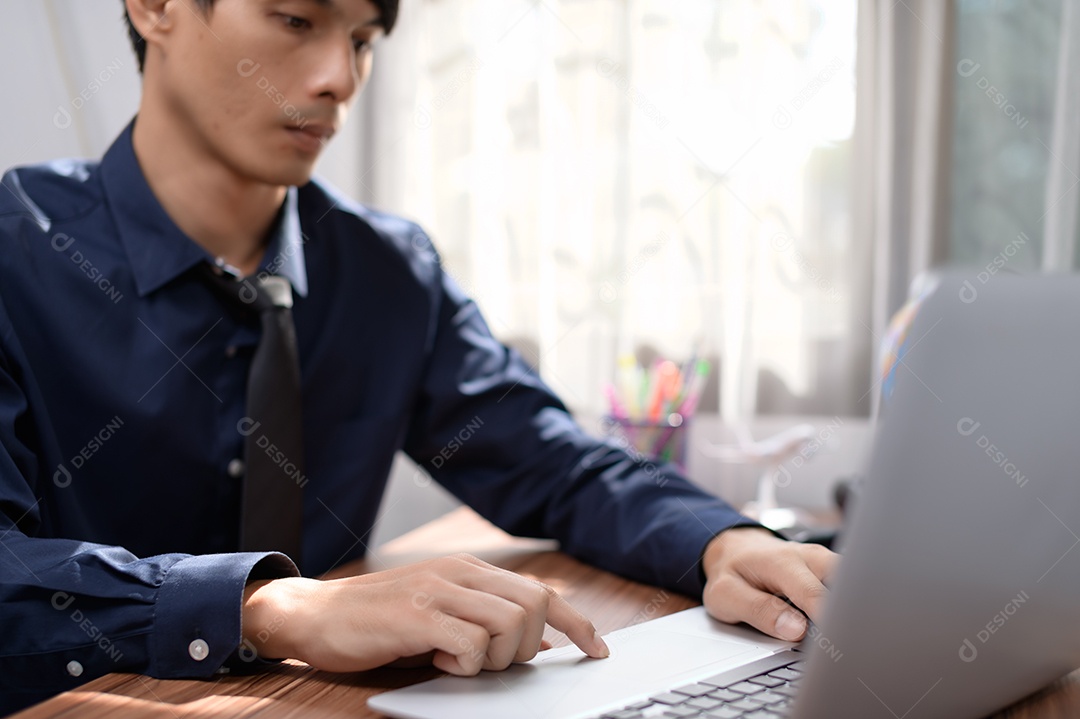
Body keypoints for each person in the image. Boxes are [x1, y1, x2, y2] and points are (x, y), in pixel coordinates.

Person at [0, 0, 836, 712]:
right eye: (297, 18)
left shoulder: (386, 271)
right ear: (156, 6)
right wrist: (271, 605)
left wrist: (722, 542)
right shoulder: (16, 253)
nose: (339, 78)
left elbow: (552, 461)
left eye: (363, 40)